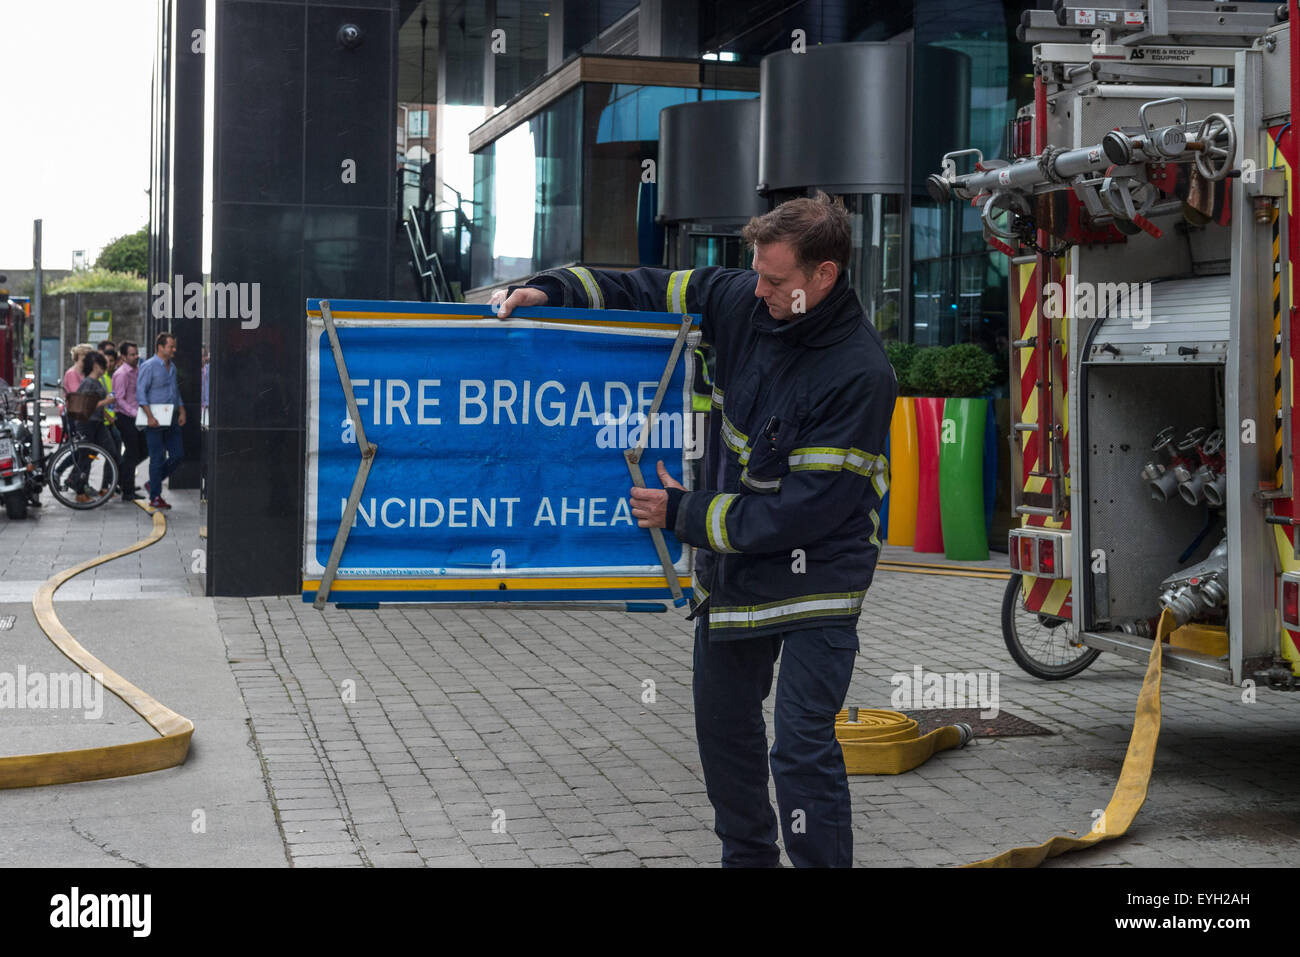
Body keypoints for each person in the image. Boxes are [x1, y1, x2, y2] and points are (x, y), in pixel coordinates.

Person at [492, 192, 897, 868]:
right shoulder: (742, 298)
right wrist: (548, 288)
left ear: (822, 277)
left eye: (775, 279)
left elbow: (805, 510)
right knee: (724, 734)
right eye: (757, 273)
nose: (758, 289)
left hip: (817, 581)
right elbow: (642, 285)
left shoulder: (859, 372)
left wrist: (683, 515)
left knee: (799, 745)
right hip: (734, 570)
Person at [136, 331, 186, 510]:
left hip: (171, 416)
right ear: (160, 347)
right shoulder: (149, 366)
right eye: (171, 346)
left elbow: (175, 391)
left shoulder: (171, 367)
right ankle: (155, 496)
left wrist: (182, 410)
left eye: (174, 346)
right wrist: (149, 416)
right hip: (154, 418)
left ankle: (153, 482)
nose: (174, 350)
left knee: (177, 455)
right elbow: (141, 393)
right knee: (157, 457)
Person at [71, 352, 121, 504]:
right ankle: (79, 489)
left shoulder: (97, 382)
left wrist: (107, 415)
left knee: (111, 451)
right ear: (96, 366)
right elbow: (87, 405)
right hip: (87, 423)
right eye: (103, 365)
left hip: (98, 422)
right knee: (85, 456)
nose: (105, 368)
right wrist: (107, 401)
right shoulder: (88, 383)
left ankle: (100, 485)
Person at [112, 340, 146, 500]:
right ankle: (128, 489)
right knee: (132, 451)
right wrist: (134, 413)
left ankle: (122, 476)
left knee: (143, 449)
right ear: (124, 357)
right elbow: (119, 399)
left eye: (136, 353)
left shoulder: (137, 370)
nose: (136, 356)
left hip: (138, 416)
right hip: (126, 417)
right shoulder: (121, 374)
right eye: (132, 354)